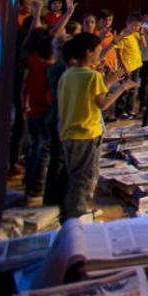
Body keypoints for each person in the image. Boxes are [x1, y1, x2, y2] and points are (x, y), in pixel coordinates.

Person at [57, 32, 138, 219]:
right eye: (98, 51)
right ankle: (76, 216)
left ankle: (72, 210)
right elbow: (103, 104)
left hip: (68, 132)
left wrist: (109, 82)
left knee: (74, 175)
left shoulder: (68, 74)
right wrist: (122, 88)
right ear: (88, 52)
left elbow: (87, 97)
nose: (100, 57)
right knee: (83, 177)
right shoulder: (92, 76)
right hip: (86, 133)